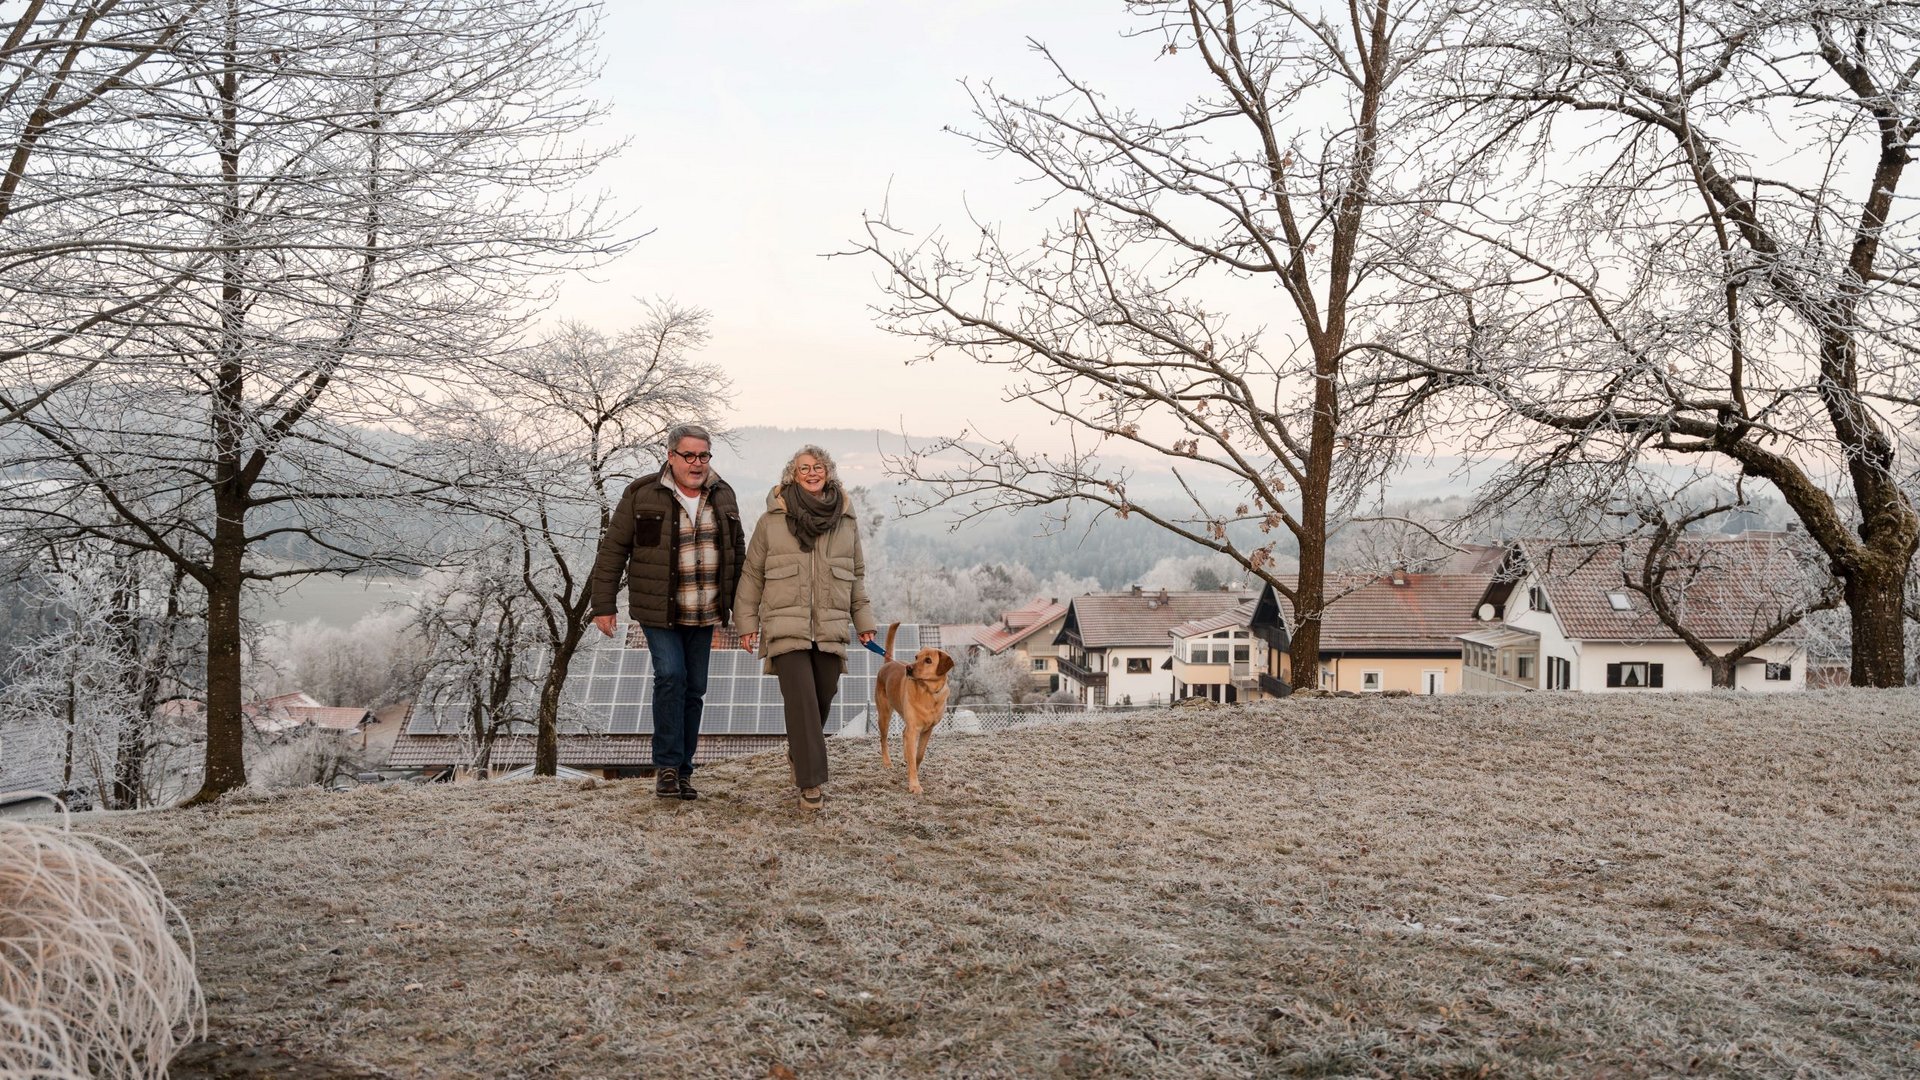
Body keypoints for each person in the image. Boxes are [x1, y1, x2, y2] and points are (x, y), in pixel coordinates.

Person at [589, 424, 745, 800]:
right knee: (671, 676)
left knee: (694, 689)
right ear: (671, 456)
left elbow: (738, 554)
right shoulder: (642, 493)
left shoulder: (724, 494)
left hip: (705, 612)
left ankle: (685, 771)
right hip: (659, 610)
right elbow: (613, 550)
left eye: (703, 455)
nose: (696, 463)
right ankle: (668, 767)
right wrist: (603, 604)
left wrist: (745, 610)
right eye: (688, 455)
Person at [732, 445, 876, 812]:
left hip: (830, 626)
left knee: (822, 695)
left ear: (828, 472)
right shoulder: (771, 521)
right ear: (792, 475)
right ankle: (810, 783)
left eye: (818, 467)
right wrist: (746, 623)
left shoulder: (845, 521)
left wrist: (864, 621)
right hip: (784, 625)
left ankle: (800, 752)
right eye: (804, 468)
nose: (812, 473)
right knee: (802, 700)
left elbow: (856, 576)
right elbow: (752, 574)